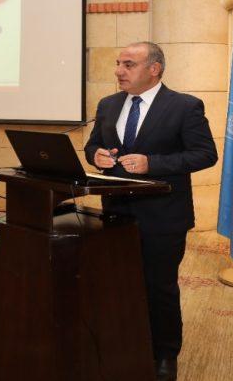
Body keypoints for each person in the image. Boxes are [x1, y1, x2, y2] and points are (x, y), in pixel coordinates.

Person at [84, 41, 217, 381]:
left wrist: (152, 164)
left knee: (159, 287)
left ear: (154, 69)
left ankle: (165, 355)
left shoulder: (184, 106)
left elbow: (205, 154)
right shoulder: (108, 104)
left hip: (163, 216)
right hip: (115, 211)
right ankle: (126, 339)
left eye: (128, 64)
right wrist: (96, 154)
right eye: (118, 63)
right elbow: (93, 144)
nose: (119, 71)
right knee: (119, 282)